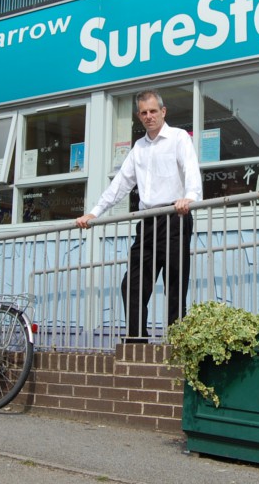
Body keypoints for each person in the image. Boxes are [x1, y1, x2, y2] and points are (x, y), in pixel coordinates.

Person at [75, 90, 202, 343]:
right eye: (144, 113)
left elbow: (191, 169)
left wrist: (190, 197)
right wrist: (95, 212)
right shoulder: (139, 147)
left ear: (163, 112)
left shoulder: (178, 137)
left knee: (174, 284)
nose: (149, 116)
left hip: (175, 216)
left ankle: (177, 344)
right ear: (138, 116)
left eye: (153, 111)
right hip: (148, 222)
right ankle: (136, 342)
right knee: (133, 284)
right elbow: (121, 183)